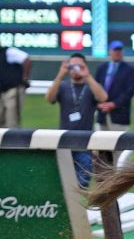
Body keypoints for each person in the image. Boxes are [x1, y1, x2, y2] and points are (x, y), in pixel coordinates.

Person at [45, 53, 108, 188]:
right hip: (64, 142)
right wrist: (60, 75)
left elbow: (103, 97)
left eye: (80, 66)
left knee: (82, 183)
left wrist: (88, 76)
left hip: (84, 144)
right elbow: (49, 98)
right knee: (62, 182)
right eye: (73, 65)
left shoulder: (90, 86)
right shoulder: (63, 86)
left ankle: (78, 206)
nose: (76, 69)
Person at [0, 35, 32, 128]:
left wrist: (25, 78)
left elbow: (27, 60)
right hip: (4, 92)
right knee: (2, 123)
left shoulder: (9, 52)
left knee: (12, 122)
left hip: (14, 91)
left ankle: (13, 142)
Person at [95, 40, 134, 131]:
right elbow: (95, 87)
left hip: (120, 116)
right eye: (115, 50)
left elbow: (129, 91)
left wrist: (114, 104)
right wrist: (99, 104)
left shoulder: (129, 69)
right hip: (102, 115)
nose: (117, 53)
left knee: (120, 144)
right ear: (110, 51)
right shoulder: (102, 68)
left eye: (120, 50)